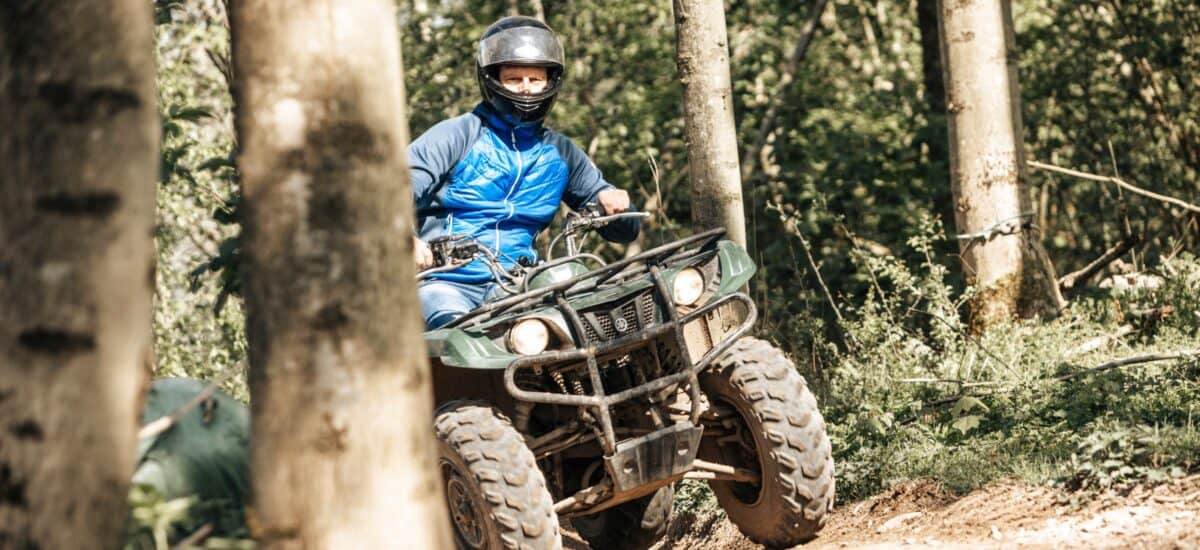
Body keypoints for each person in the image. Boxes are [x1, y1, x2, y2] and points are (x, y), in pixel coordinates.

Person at [407, 16, 641, 329]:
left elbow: (625, 231)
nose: (527, 89)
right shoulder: (456, 135)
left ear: (551, 81)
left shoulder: (562, 153)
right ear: (492, 80)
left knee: (599, 322)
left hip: (521, 284)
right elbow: (394, 188)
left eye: (535, 79)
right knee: (456, 339)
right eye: (514, 79)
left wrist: (618, 208)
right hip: (447, 283)